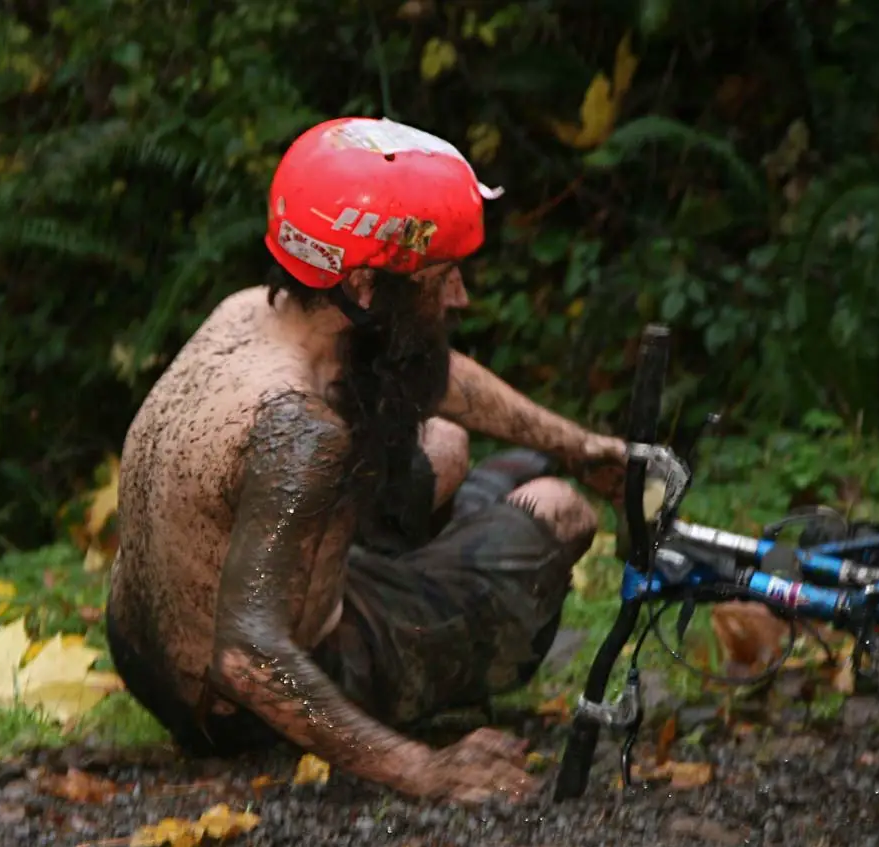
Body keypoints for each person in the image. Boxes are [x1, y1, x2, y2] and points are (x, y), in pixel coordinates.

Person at [106, 117, 626, 805]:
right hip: (237, 703)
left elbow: (432, 375)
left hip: (149, 647)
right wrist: (421, 769)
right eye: (440, 279)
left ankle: (413, 568)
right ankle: (399, 658)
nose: (459, 297)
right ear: (364, 286)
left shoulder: (254, 315)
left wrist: (578, 444)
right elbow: (247, 659)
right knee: (558, 511)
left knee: (448, 447)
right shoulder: (298, 428)